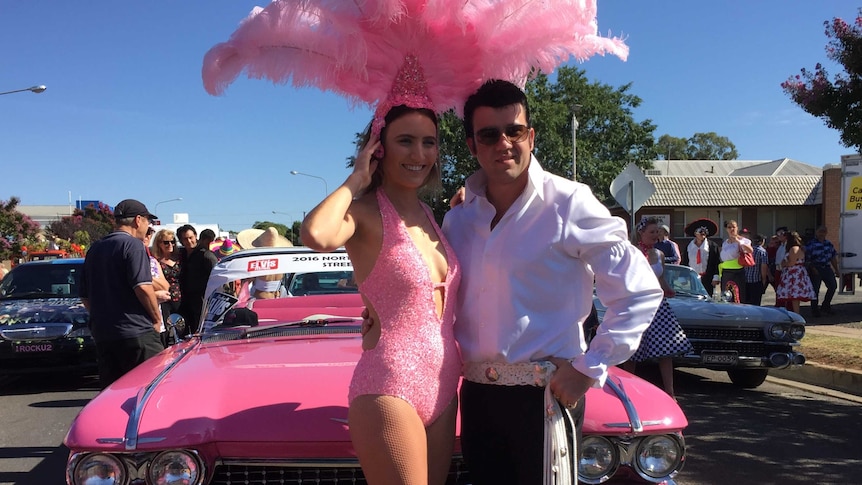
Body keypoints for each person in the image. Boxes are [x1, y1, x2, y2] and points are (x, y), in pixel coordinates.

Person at [442, 80, 662, 484]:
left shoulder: (569, 202)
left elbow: (639, 291)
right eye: (489, 135)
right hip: (476, 397)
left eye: (514, 131)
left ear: (532, 136)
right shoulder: (457, 220)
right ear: (472, 146)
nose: (503, 143)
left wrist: (590, 367)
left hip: (545, 396)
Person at [301, 105, 461, 485]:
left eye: (429, 142)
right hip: (389, 386)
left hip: (443, 385)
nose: (418, 154)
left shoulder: (430, 215)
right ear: (379, 148)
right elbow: (317, 235)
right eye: (405, 141)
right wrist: (357, 178)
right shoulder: (365, 214)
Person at [80, 199, 164, 388]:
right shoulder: (133, 246)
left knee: (114, 393)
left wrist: (104, 317)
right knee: (150, 390)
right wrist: (156, 319)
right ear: (138, 220)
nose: (147, 226)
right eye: (147, 222)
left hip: (105, 335)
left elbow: (85, 296)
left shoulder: (95, 249)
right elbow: (142, 286)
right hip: (137, 334)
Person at [625, 217, 692, 400]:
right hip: (637, 303)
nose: (656, 235)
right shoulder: (632, 252)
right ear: (641, 233)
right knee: (632, 350)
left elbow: (660, 278)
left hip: (657, 305)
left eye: (658, 232)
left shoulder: (659, 254)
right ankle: (629, 390)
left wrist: (668, 289)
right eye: (652, 232)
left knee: (665, 350)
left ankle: (670, 392)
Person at [236, 227, 293, 299]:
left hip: (260, 298)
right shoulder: (280, 263)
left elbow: (246, 282)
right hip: (277, 296)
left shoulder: (258, 263)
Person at [179, 229, 218, 334]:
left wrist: (211, 303)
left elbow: (218, 279)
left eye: (191, 237)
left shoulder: (206, 255)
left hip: (202, 303)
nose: (189, 241)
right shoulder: (181, 255)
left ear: (196, 236)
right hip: (184, 303)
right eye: (185, 239)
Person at [776, 231, 816, 314]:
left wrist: (783, 264)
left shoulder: (794, 248)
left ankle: (796, 314)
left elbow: (791, 263)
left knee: (795, 296)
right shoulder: (799, 248)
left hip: (794, 274)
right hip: (796, 272)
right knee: (793, 296)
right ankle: (793, 313)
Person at [805, 225, 840, 316]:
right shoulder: (811, 244)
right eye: (820, 231)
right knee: (815, 290)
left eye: (824, 231)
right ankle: (815, 310)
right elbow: (807, 259)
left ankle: (825, 306)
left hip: (827, 268)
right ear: (816, 232)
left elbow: (833, 257)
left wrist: (836, 270)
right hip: (816, 268)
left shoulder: (828, 244)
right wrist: (813, 269)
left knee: (833, 286)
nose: (822, 233)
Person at [681, 218, 720, 296]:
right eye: (700, 233)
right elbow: (685, 262)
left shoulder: (712, 246)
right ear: (695, 233)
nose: (703, 235)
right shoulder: (689, 247)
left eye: (704, 233)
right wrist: (683, 277)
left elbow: (716, 262)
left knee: (707, 297)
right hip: (693, 278)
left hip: (708, 278)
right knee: (694, 297)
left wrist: (716, 277)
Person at [718, 219, 753, 303]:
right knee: (726, 295)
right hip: (726, 271)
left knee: (738, 295)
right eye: (729, 227)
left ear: (737, 228)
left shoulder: (744, 240)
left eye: (733, 227)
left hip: (737, 271)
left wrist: (738, 241)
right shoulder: (725, 242)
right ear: (727, 229)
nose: (731, 229)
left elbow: (750, 250)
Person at [743, 233, 770, 306]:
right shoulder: (762, 251)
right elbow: (763, 268)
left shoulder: (747, 250)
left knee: (746, 303)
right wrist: (764, 281)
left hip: (745, 280)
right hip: (756, 281)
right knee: (755, 303)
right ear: (762, 241)